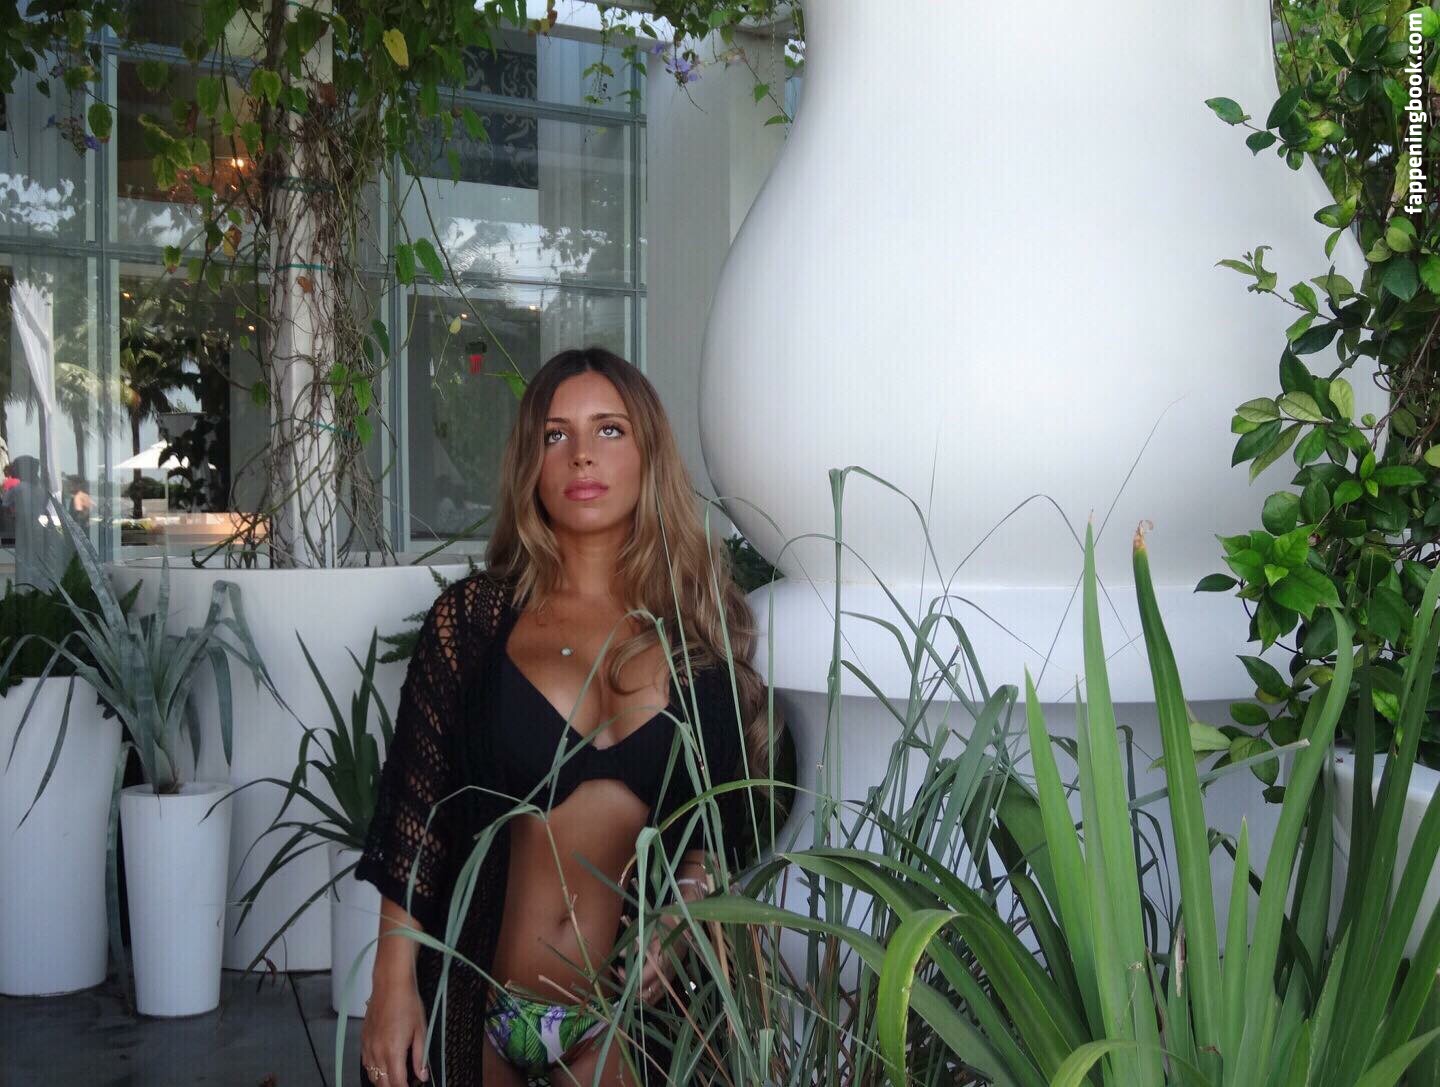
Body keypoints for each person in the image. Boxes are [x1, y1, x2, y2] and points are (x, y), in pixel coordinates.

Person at [355, 347, 785, 1087]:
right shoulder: (474, 622)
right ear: (531, 462)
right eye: (555, 435)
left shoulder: (696, 640)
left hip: (620, 1013)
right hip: (476, 989)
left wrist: (676, 927)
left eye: (609, 429)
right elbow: (416, 816)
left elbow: (710, 837)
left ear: (650, 454)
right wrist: (391, 982)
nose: (581, 454)